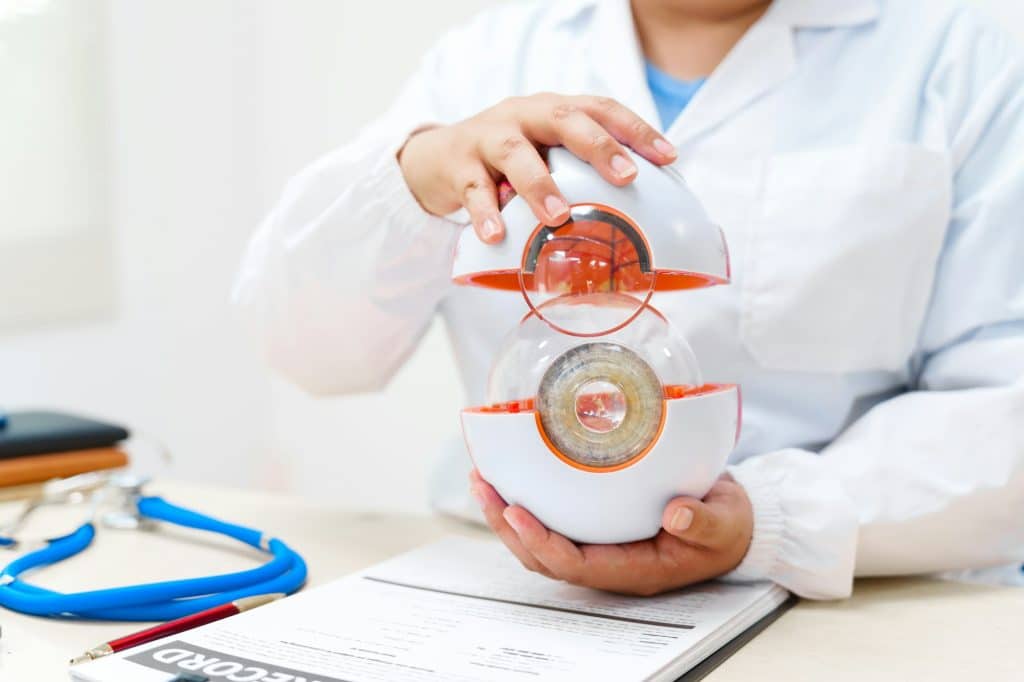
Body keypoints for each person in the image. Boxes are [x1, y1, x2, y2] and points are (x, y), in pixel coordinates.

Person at [233, 0, 1024, 599]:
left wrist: (773, 524)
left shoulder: (966, 52)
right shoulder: (490, 56)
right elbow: (306, 352)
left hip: (848, 594)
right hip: (512, 592)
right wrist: (417, 177)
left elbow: (1007, 395)